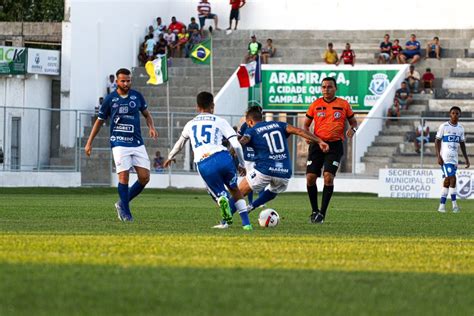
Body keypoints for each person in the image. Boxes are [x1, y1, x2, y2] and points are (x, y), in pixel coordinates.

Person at [218, 106, 329, 225]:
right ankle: (252, 206)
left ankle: (224, 221)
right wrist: (319, 141)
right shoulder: (279, 125)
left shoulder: (252, 130)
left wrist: (234, 153)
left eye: (248, 124)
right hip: (284, 172)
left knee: (238, 192)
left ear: (250, 122)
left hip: (264, 170)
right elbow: (299, 131)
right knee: (273, 190)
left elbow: (242, 142)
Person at [163, 91, 252, 230]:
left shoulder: (190, 124)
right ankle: (246, 224)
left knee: (216, 192)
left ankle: (221, 199)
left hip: (204, 162)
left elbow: (180, 144)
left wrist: (170, 156)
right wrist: (241, 163)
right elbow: (236, 144)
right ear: (213, 106)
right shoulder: (220, 121)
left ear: (197, 107)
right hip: (223, 157)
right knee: (235, 190)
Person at [85, 68, 158, 221]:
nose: (126, 83)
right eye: (123, 81)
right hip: (119, 143)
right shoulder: (110, 99)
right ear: (117, 82)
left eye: (128, 80)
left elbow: (146, 114)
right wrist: (89, 142)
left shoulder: (137, 96)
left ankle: (121, 204)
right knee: (123, 176)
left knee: (144, 178)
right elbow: (99, 121)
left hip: (137, 142)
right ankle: (126, 213)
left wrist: (151, 127)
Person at [304, 77, 358, 224]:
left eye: (329, 87)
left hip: (334, 146)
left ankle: (322, 213)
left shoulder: (343, 104)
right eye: (324, 87)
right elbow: (306, 125)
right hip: (317, 144)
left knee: (328, 177)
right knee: (310, 178)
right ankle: (314, 211)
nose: (326, 89)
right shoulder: (315, 104)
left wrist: (352, 129)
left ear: (335, 88)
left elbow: (354, 122)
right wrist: (308, 136)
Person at [435, 106, 470, 213]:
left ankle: (441, 207)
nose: (455, 115)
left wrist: (466, 158)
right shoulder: (444, 126)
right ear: (450, 114)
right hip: (445, 158)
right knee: (452, 178)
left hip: (454, 159)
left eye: (457, 113)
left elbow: (462, 144)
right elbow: (437, 141)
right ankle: (454, 206)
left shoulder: (460, 128)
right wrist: (438, 156)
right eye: (453, 113)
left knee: (447, 181)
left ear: (459, 115)